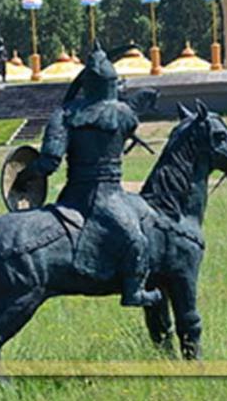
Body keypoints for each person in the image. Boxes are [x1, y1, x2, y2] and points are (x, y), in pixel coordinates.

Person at [16, 43, 159, 308]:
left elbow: (48, 162)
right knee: (136, 239)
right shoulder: (124, 114)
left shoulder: (66, 114)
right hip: (107, 198)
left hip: (73, 195)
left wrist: (25, 175)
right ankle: (134, 292)